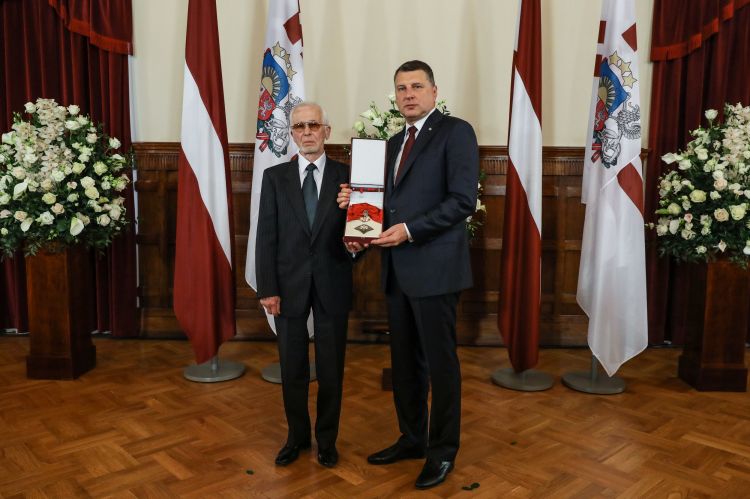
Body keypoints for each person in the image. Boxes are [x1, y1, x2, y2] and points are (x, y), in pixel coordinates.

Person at [338, 60, 479, 489]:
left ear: (434, 91)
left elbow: (461, 201)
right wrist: (354, 204)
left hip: (436, 269)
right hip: (397, 271)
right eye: (401, 88)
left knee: (440, 365)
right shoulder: (393, 142)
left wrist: (410, 230)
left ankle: (442, 451)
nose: (409, 94)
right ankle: (413, 438)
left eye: (417, 86)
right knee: (404, 365)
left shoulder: (456, 132)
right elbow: (383, 205)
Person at [256, 102, 353, 468]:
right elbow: (266, 237)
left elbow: (362, 234)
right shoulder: (275, 178)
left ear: (327, 131)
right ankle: (296, 437)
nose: (307, 132)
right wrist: (268, 288)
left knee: (331, 370)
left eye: (314, 125)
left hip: (333, 284)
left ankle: (327, 440)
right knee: (292, 368)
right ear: (292, 134)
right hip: (287, 287)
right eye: (300, 126)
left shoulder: (349, 177)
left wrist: (353, 214)